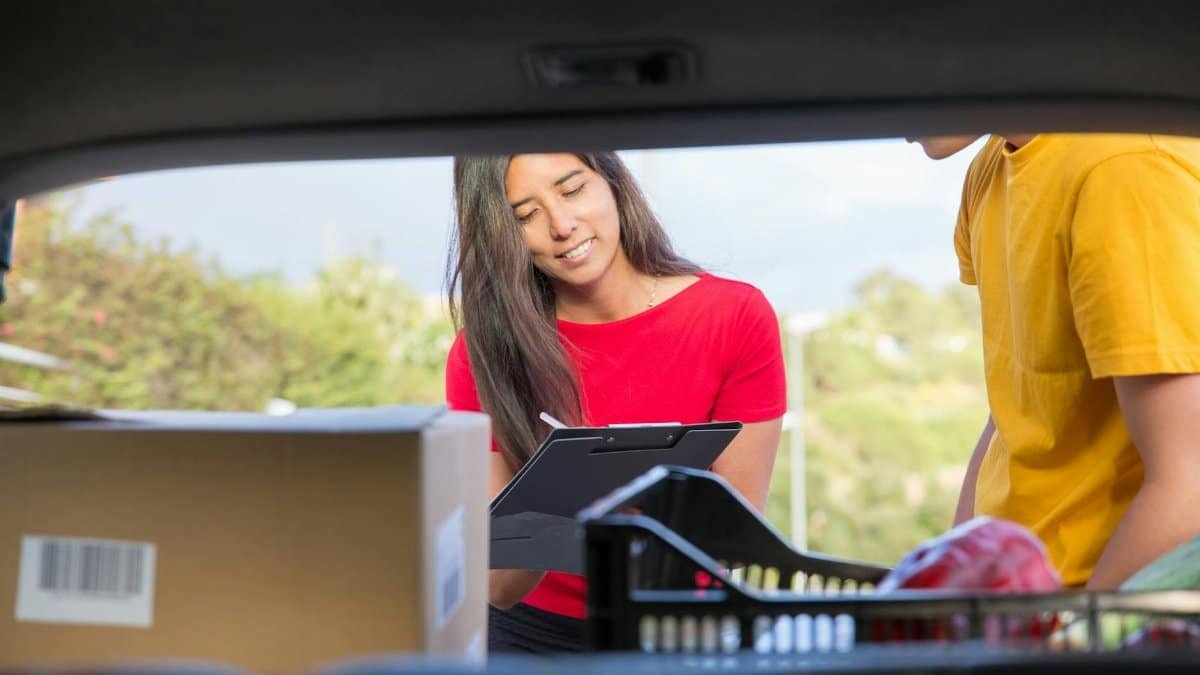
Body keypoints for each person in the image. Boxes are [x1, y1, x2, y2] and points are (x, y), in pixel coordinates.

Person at [444, 152, 786, 652]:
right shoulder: (483, 353)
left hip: (677, 629)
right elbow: (499, 585)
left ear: (612, 181)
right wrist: (566, 484)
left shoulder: (734, 317)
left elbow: (730, 546)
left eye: (572, 189)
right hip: (530, 640)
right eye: (525, 214)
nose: (561, 225)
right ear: (500, 235)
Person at [910, 133, 1200, 589]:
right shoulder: (989, 169)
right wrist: (947, 596)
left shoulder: (1126, 172)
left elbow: (1191, 480)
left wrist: (1073, 644)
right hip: (1014, 608)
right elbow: (1009, 415)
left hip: (1094, 614)